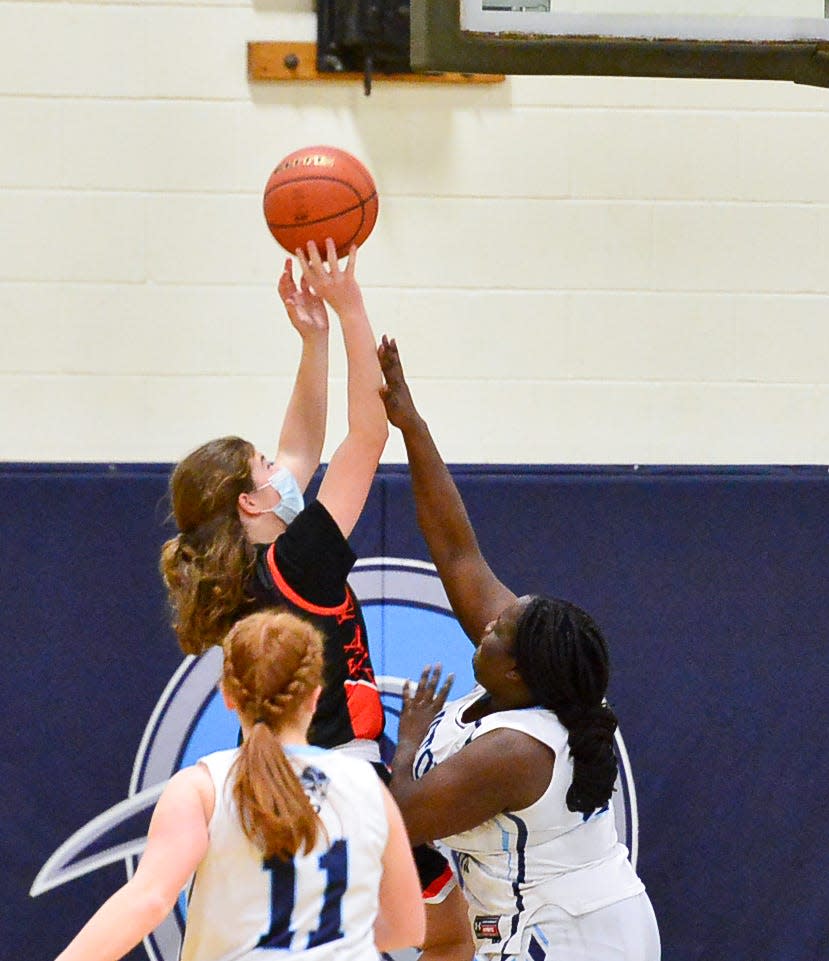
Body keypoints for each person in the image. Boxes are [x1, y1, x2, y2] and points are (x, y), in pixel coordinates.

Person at [158, 243, 473, 961]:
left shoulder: (244, 570)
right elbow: (365, 434)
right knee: (447, 934)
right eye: (265, 468)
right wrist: (350, 305)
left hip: (263, 783)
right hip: (343, 779)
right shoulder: (298, 564)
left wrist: (314, 340)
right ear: (252, 499)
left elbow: (300, 443)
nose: (281, 465)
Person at [378, 336, 661, 961]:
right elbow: (456, 551)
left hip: (576, 937)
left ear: (515, 669)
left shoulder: (515, 750)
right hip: (537, 923)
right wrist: (411, 424)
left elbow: (397, 825)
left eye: (501, 626)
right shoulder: (529, 672)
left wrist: (406, 742)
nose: (489, 619)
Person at [54, 609, 425, 961]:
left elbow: (149, 900)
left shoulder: (203, 787)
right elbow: (409, 926)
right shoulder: (368, 785)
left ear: (228, 696)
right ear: (316, 695)